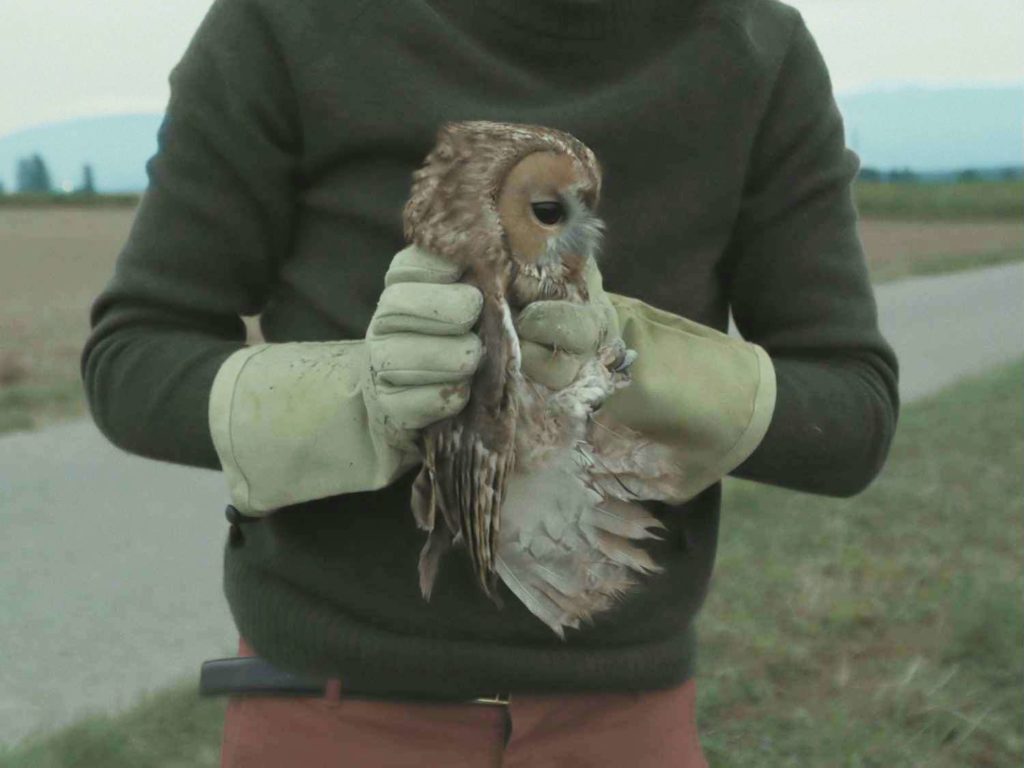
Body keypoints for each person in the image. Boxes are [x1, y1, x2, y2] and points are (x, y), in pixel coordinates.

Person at [81, 0, 900, 764]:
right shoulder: (288, 21)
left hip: (621, 718)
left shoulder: (752, 46)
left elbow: (853, 414)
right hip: (331, 710)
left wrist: (629, 370)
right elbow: (134, 357)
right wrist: (358, 399)